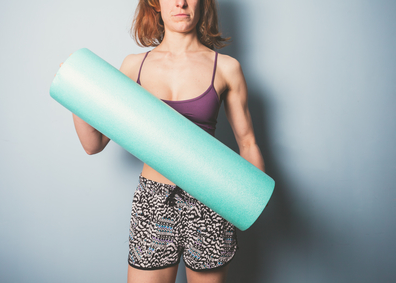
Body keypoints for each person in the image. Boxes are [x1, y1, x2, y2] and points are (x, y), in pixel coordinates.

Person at [71, 0, 265, 282]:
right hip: (153, 201)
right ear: (155, 3)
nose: (181, 2)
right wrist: (74, 90)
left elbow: (248, 143)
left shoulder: (226, 67)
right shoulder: (134, 65)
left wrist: (251, 203)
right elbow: (94, 143)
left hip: (210, 200)